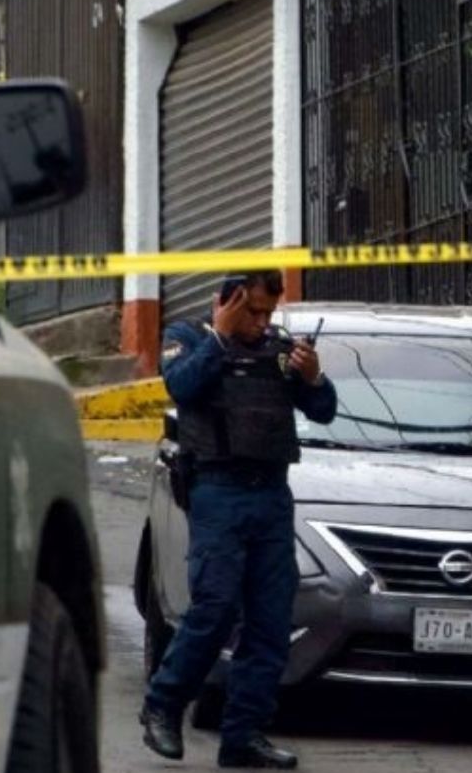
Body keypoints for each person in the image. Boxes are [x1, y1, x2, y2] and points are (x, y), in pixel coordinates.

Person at [140, 270, 337, 770]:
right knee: (216, 608)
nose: (262, 322)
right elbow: (182, 386)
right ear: (226, 302)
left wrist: (313, 376)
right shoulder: (189, 338)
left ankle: (243, 736)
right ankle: (162, 705)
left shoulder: (278, 349)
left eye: (269, 312)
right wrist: (221, 338)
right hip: (218, 491)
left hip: (271, 494)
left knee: (271, 621)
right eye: (252, 311)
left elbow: (323, 411)